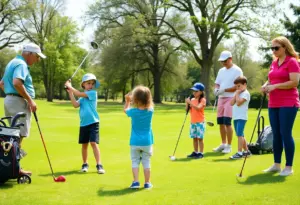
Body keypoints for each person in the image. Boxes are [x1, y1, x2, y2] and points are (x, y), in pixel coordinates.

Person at [0, 43, 46, 176]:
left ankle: (12, 166)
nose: (37, 60)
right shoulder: (21, 65)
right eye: (37, 57)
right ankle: (16, 168)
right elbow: (17, 82)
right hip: (18, 102)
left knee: (13, 134)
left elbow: (2, 84)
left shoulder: (12, 62)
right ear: (29, 54)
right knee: (17, 136)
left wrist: (11, 94)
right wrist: (29, 99)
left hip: (10, 100)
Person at [261, 36, 300, 176]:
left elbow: (294, 82)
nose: (274, 50)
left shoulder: (292, 62)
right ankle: (277, 164)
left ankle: (288, 167)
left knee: (285, 133)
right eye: (272, 48)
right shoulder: (274, 62)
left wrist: (275, 86)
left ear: (285, 47)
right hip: (274, 102)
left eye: (276, 48)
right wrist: (265, 86)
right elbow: (271, 79)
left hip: (288, 102)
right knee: (276, 134)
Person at [65, 73, 105, 174]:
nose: (91, 85)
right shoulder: (82, 98)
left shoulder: (92, 93)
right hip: (83, 124)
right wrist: (70, 92)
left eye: (92, 83)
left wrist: (70, 86)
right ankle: (85, 164)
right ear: (83, 84)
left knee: (93, 143)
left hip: (93, 122)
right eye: (88, 83)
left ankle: (99, 165)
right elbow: (75, 105)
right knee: (84, 145)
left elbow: (78, 93)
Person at [124, 85, 154, 189]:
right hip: (147, 141)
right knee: (146, 162)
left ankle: (136, 182)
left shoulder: (133, 111)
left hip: (135, 141)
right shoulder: (150, 111)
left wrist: (127, 101)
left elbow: (125, 110)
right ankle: (147, 183)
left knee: (135, 161)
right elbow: (148, 105)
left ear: (135, 99)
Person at [213, 50, 243, 154]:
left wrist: (224, 90)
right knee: (220, 122)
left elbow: (238, 86)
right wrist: (216, 89)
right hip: (221, 98)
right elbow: (217, 83)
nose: (223, 63)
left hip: (231, 98)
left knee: (227, 122)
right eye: (222, 61)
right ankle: (223, 143)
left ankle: (229, 146)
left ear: (230, 59)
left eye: (225, 61)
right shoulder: (221, 71)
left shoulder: (237, 70)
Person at [229, 76, 251, 159]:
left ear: (244, 84)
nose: (237, 88)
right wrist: (236, 94)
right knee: (240, 134)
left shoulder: (246, 93)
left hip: (242, 117)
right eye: (236, 86)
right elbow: (231, 103)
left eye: (239, 86)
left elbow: (238, 103)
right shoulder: (238, 93)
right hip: (236, 117)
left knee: (239, 135)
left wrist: (237, 94)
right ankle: (247, 151)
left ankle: (239, 152)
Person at [185, 83, 206, 159]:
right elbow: (187, 110)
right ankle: (195, 152)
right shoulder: (192, 99)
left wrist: (190, 102)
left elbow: (198, 108)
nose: (194, 93)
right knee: (194, 138)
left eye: (196, 91)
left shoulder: (202, 100)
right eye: (193, 91)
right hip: (193, 122)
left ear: (200, 92)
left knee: (200, 138)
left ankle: (201, 153)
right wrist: (187, 103)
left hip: (200, 122)